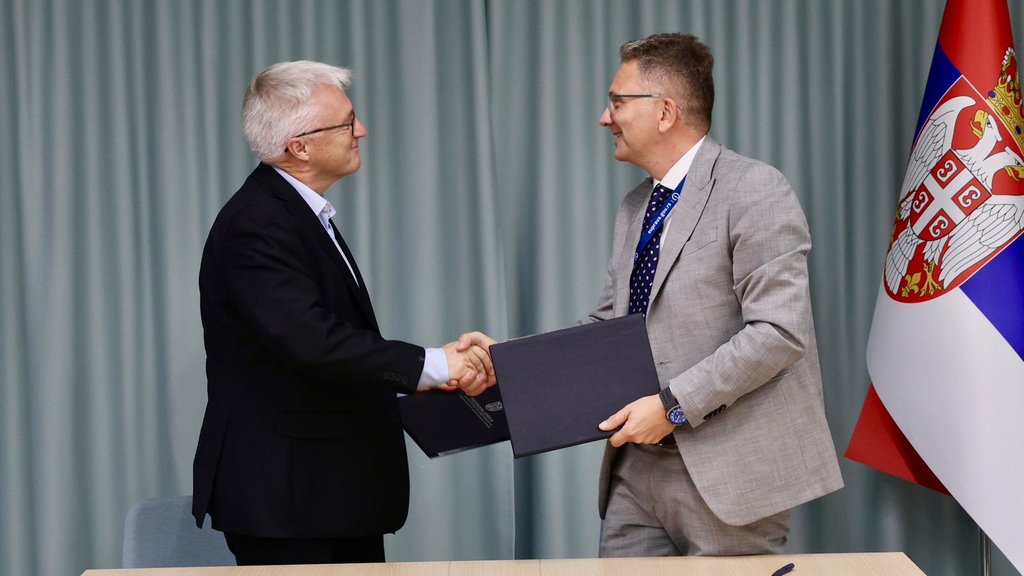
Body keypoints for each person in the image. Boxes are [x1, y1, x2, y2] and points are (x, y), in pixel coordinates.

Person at [191, 60, 496, 566]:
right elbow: (310, 341)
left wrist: (419, 377)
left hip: (327, 495)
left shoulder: (293, 213)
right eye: (346, 122)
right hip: (291, 500)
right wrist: (435, 365)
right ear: (300, 146)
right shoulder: (257, 223)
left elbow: (318, 354)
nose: (361, 130)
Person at [589, 33, 843, 556]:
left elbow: (778, 332)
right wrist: (506, 365)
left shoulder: (755, 189)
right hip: (634, 473)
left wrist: (673, 408)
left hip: (732, 474)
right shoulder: (636, 207)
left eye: (617, 103)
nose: (605, 118)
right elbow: (605, 328)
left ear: (664, 112)